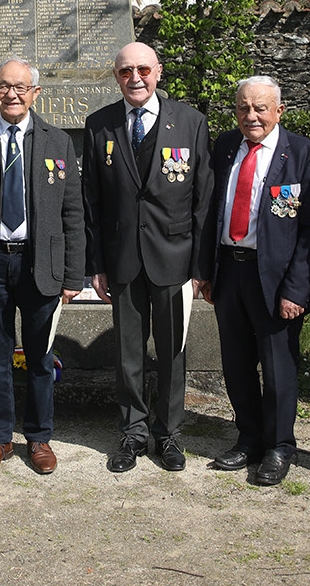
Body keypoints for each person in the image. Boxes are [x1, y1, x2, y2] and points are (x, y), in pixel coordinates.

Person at [0, 58, 84, 475]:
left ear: (35, 93)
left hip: (40, 264)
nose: (12, 94)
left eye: (21, 87)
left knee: (40, 357)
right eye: (4, 86)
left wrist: (73, 274)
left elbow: (72, 212)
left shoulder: (58, 142)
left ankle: (39, 437)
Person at [83, 42, 213, 473]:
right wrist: (97, 263)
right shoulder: (99, 124)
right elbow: (93, 204)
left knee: (172, 351)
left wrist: (198, 268)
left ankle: (169, 434)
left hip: (174, 257)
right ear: (115, 76)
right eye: (125, 72)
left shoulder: (191, 122)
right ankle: (133, 431)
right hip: (122, 258)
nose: (134, 78)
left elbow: (202, 202)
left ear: (158, 71)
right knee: (128, 353)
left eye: (143, 69)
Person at [200, 76, 310, 486]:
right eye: (243, 108)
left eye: (260, 108)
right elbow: (209, 211)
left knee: (277, 367)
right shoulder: (224, 147)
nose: (251, 116)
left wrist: (296, 288)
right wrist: (206, 272)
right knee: (236, 365)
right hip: (230, 269)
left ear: (279, 111)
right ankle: (249, 437)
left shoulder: (301, 152)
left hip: (274, 276)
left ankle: (278, 445)